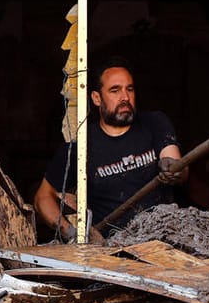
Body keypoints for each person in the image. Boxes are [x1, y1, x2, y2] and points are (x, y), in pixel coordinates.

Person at [35, 59, 186, 241]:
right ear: (97, 98)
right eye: (115, 90)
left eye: (129, 89)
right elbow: (43, 197)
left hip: (163, 235)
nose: (125, 97)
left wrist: (174, 168)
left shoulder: (154, 123)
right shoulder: (80, 144)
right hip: (112, 247)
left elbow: (177, 164)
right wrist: (70, 232)